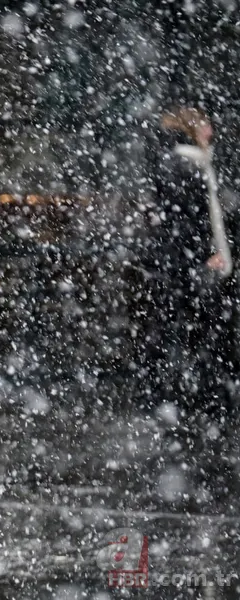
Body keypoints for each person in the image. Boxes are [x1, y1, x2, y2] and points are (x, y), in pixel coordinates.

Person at [144, 106, 240, 506]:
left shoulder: (194, 164)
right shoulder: (186, 166)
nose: (211, 130)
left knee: (196, 336)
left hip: (189, 268)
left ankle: (194, 402)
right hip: (192, 270)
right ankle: (196, 403)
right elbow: (189, 221)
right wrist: (205, 255)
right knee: (198, 336)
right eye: (203, 124)